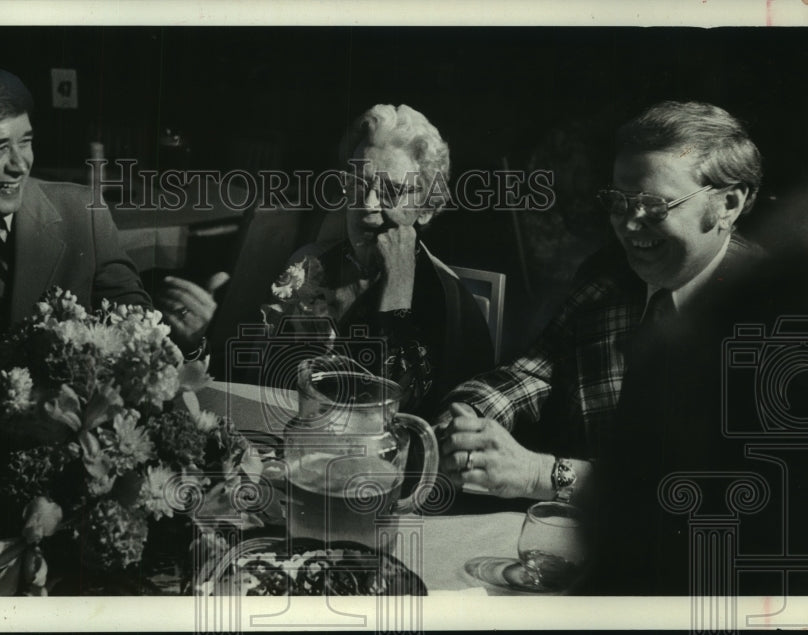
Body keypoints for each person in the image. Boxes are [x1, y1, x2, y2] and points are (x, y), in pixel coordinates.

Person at [437, 101, 802, 592]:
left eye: (654, 207)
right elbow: (533, 372)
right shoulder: (609, 277)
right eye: (618, 201)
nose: (629, 225)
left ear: (729, 204)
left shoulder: (769, 324)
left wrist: (540, 474)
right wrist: (464, 421)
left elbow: (712, 501)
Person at [0, 63, 217, 381]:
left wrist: (181, 336)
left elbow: (138, 327)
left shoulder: (82, 213)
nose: (21, 164)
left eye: (26, 142)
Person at [260, 104, 494, 420]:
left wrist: (397, 291)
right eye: (358, 184)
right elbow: (260, 378)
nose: (367, 205)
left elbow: (400, 412)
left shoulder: (448, 303)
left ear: (426, 207)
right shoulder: (308, 266)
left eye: (391, 191)